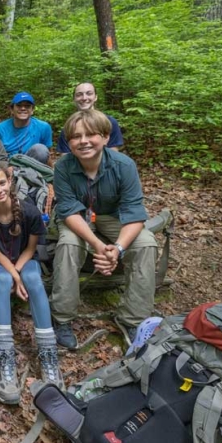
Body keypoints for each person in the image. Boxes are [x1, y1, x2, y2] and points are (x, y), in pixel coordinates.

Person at [51, 109, 157, 349]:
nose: (84, 141)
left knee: (146, 243)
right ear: (69, 143)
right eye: (76, 137)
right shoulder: (63, 167)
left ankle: (133, 319)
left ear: (106, 137)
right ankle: (63, 317)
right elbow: (68, 211)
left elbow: (135, 213)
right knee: (68, 244)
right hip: (78, 217)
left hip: (112, 215)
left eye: (91, 134)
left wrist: (118, 248)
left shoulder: (124, 165)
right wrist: (99, 246)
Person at [0, 161, 63, 405]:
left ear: (9, 181)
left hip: (25, 260)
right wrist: (15, 276)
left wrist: (20, 273)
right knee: (2, 281)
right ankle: (6, 357)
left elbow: (31, 248)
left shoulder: (29, 212)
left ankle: (48, 356)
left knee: (34, 278)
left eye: (1, 183)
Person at [56, 83, 124, 154]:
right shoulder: (69, 126)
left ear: (95, 97)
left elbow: (113, 154)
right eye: (79, 95)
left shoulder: (110, 122)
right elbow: (65, 157)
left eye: (89, 93)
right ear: (74, 99)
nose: (84, 98)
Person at [0, 91, 53, 162]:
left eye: (27, 106)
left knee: (40, 149)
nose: (23, 108)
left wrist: (51, 172)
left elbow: (47, 155)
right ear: (11, 109)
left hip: (33, 166)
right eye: (19, 105)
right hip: (7, 165)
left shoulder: (43, 127)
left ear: (32, 110)